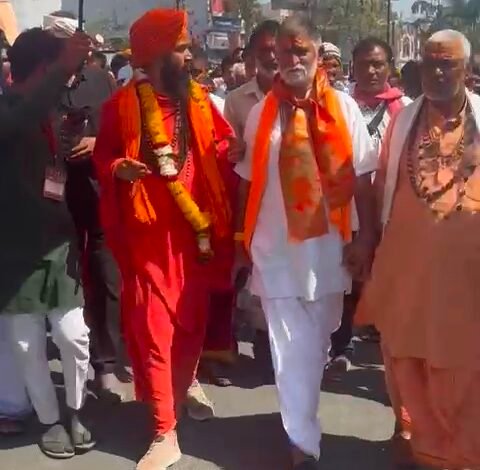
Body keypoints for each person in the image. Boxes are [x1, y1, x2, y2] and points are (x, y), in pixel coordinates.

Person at [93, 9, 234, 469]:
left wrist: (233, 151)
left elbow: (223, 147)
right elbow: (104, 156)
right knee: (153, 330)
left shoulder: (202, 102)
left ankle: (182, 386)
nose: (190, 56)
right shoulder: (121, 106)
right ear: (155, 55)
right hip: (148, 241)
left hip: (195, 238)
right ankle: (163, 431)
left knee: (190, 326)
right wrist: (119, 168)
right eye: (182, 48)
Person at [234, 16, 376, 469]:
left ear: (317, 53)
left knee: (316, 345)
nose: (293, 59)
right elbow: (246, 181)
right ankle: (302, 443)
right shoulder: (261, 113)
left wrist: (366, 240)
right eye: (285, 52)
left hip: (330, 249)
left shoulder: (344, 108)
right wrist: (239, 239)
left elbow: (363, 179)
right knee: (288, 347)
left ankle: (301, 413)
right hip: (275, 248)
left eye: (302, 51)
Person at [359, 29, 480, 470]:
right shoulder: (403, 120)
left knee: (462, 365)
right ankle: (423, 445)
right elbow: (380, 188)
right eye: (430, 64)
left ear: (466, 69)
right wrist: (369, 244)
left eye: (447, 64)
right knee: (404, 356)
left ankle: (463, 454)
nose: (437, 73)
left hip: (466, 275)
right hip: (405, 267)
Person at [0, 28, 94, 459]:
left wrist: (72, 140)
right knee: (26, 345)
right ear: (42, 69)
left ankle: (76, 410)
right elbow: (20, 120)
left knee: (73, 336)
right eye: (56, 70)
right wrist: (63, 70)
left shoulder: (50, 109)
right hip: (14, 251)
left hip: (58, 244)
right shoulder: (9, 109)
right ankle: (50, 420)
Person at [327, 37, 412, 374]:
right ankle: (342, 346)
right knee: (350, 277)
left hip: (392, 210)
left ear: (390, 68)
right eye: (364, 64)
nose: (372, 71)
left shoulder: (408, 110)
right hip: (350, 207)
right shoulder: (338, 105)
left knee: (389, 279)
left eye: (378, 64)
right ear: (353, 67)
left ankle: (391, 346)